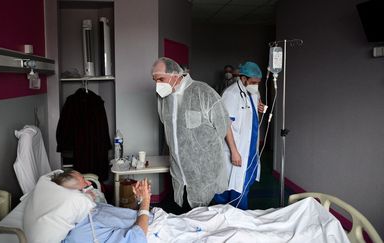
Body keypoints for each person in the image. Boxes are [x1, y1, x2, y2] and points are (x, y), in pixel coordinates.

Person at [152, 57, 230, 211]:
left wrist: (202, 152)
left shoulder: (203, 92)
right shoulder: (163, 98)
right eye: (155, 80)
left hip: (205, 172)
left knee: (205, 220)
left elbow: (223, 125)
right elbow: (168, 127)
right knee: (184, 218)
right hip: (179, 173)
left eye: (161, 79)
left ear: (175, 75)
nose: (157, 85)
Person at [213, 61, 265, 209]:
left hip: (250, 150)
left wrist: (260, 111)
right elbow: (225, 124)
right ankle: (228, 218)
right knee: (230, 189)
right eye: (253, 82)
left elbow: (253, 122)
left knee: (244, 185)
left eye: (258, 83)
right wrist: (234, 152)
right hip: (235, 150)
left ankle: (238, 218)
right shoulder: (231, 94)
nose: (256, 86)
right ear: (243, 78)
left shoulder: (254, 93)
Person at [51, 170, 152, 243]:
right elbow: (137, 238)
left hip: (150, 220)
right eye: (84, 181)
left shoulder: (92, 207)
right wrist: (146, 200)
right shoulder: (82, 232)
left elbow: (125, 218)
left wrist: (139, 200)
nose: (89, 183)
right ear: (75, 195)